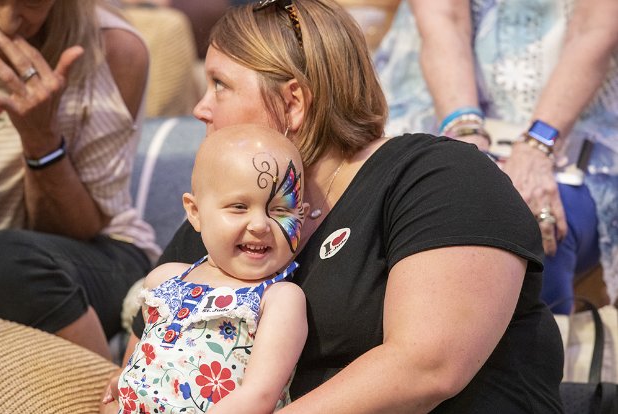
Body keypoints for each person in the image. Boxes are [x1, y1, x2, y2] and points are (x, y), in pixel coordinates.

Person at [106, 1, 563, 412]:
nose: (201, 108)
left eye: (220, 85)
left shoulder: (437, 177)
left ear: (293, 103)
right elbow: (140, 368)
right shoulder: (221, 216)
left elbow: (426, 368)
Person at [374, 0, 618, 314]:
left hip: (576, 126)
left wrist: (536, 148)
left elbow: (594, 30)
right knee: (405, 215)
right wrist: (467, 144)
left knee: (533, 227)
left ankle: (538, 358)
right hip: (443, 107)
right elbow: (443, 20)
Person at [104, 124, 308, 413]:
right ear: (195, 213)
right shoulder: (164, 279)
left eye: (280, 210)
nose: (261, 224)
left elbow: (258, 397)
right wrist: (123, 383)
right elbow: (149, 361)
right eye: (239, 207)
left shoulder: (278, 299)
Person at [0, 0, 160, 359]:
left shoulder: (113, 50)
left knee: (6, 260)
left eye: (32, 3)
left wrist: (42, 141)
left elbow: (78, 225)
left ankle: (115, 395)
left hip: (96, 250)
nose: (9, 22)